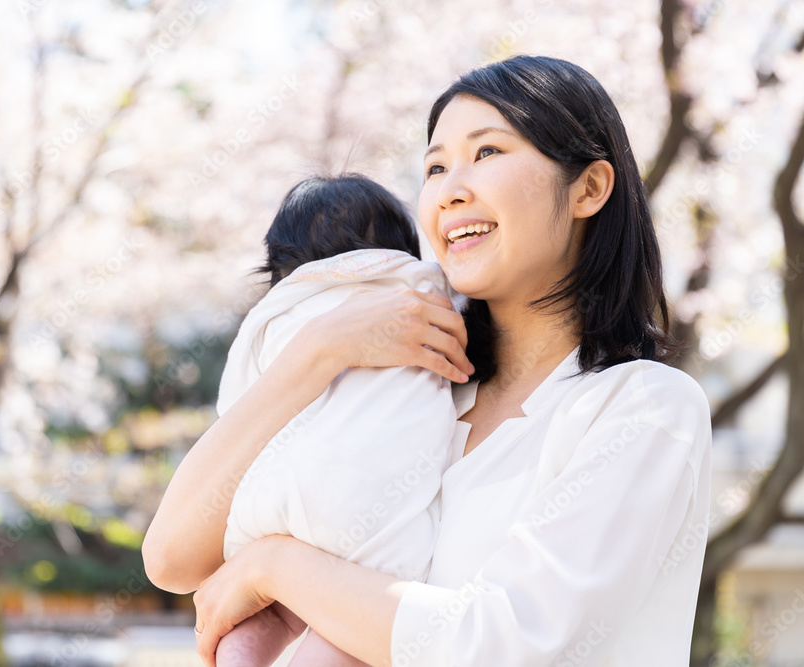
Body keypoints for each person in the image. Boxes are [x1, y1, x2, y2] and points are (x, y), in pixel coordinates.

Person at [143, 55, 712, 667]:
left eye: (488, 153)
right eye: (435, 167)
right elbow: (173, 558)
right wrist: (319, 349)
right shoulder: (409, 394)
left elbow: (505, 646)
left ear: (590, 188)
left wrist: (274, 565)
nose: (450, 190)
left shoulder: (643, 409)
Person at [211, 173, 464, 666]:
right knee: (349, 616)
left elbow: (235, 404)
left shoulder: (276, 313)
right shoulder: (423, 290)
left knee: (274, 612)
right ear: (402, 249)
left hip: (269, 505)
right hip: (368, 501)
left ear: (278, 267)